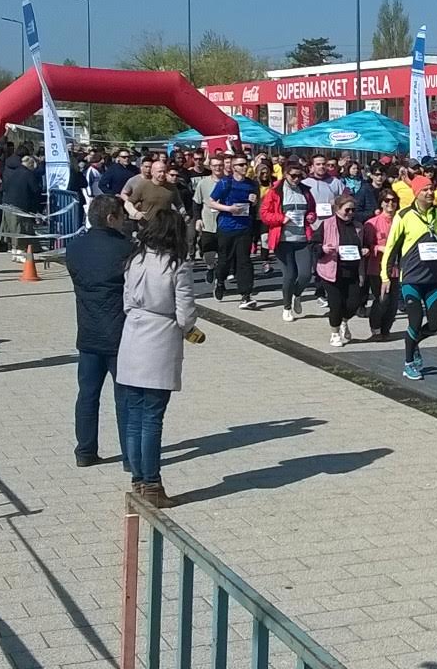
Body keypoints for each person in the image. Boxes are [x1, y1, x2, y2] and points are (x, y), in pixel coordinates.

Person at [116, 211, 197, 508]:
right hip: (160, 336)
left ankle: (139, 479)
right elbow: (185, 312)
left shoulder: (135, 259)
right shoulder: (177, 264)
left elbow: (126, 301)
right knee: (152, 417)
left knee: (134, 416)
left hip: (133, 333)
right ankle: (152, 483)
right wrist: (189, 328)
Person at [66, 196, 132, 469]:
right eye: (122, 216)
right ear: (110, 218)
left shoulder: (74, 247)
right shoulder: (127, 249)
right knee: (125, 398)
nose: (126, 220)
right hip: (120, 332)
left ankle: (85, 450)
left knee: (87, 394)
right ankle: (131, 457)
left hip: (89, 330)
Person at [380, 175, 437, 380]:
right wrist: (385, 276)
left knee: (435, 324)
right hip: (411, 279)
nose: (430, 193)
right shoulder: (404, 215)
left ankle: (414, 342)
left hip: (434, 280)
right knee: (415, 320)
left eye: (431, 189)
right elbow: (391, 248)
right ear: (416, 193)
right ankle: (409, 363)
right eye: (425, 190)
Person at [261, 163, 317, 321]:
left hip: (302, 238)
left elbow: (312, 210)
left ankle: (296, 295)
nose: (297, 179)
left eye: (300, 176)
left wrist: (311, 216)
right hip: (283, 239)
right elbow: (264, 214)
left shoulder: (305, 191)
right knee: (290, 275)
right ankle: (286, 307)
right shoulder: (275, 191)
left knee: (306, 275)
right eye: (293, 176)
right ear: (285, 174)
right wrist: (281, 218)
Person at [206, 155, 261, 309]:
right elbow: (211, 202)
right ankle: (220, 281)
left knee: (244, 261)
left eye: (246, 164)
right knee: (225, 260)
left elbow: (255, 204)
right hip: (227, 227)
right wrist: (228, 209)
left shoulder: (251, 183)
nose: (244, 167)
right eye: (241, 165)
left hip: (245, 227)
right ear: (234, 167)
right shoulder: (225, 182)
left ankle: (246, 295)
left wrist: (255, 201)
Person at [317, 194, 366, 347]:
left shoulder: (358, 226)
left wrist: (365, 250)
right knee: (336, 304)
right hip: (332, 271)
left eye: (353, 210)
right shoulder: (327, 224)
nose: (350, 213)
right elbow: (313, 245)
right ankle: (335, 333)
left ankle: (344, 321)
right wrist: (322, 249)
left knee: (354, 303)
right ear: (337, 209)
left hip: (353, 271)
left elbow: (363, 245)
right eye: (347, 210)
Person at [362, 191, 400, 340]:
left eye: (393, 200)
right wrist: (379, 248)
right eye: (386, 200)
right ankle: (376, 329)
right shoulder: (372, 223)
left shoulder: (401, 220)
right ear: (381, 203)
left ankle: (386, 330)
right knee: (382, 299)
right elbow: (366, 246)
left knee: (393, 303)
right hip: (377, 267)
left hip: (396, 268)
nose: (390, 203)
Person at [0, 151, 43, 260]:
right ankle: (20, 252)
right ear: (31, 165)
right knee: (21, 228)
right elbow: (35, 190)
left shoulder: (14, 172)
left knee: (11, 228)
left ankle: (14, 252)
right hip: (20, 205)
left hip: (7, 203)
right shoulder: (28, 174)